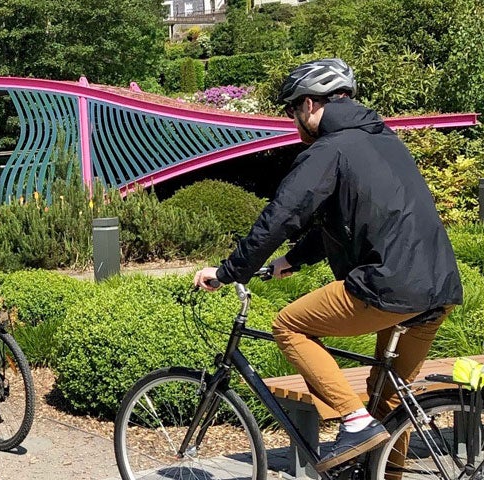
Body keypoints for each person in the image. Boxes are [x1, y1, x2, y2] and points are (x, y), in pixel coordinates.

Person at [191, 58, 462, 472]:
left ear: (312, 105)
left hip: (389, 284)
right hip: (437, 286)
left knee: (288, 325)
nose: (293, 119)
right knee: (390, 399)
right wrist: (292, 259)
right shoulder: (383, 140)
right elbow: (343, 220)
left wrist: (228, 272)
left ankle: (352, 421)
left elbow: (281, 216)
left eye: (292, 109)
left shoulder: (329, 149)